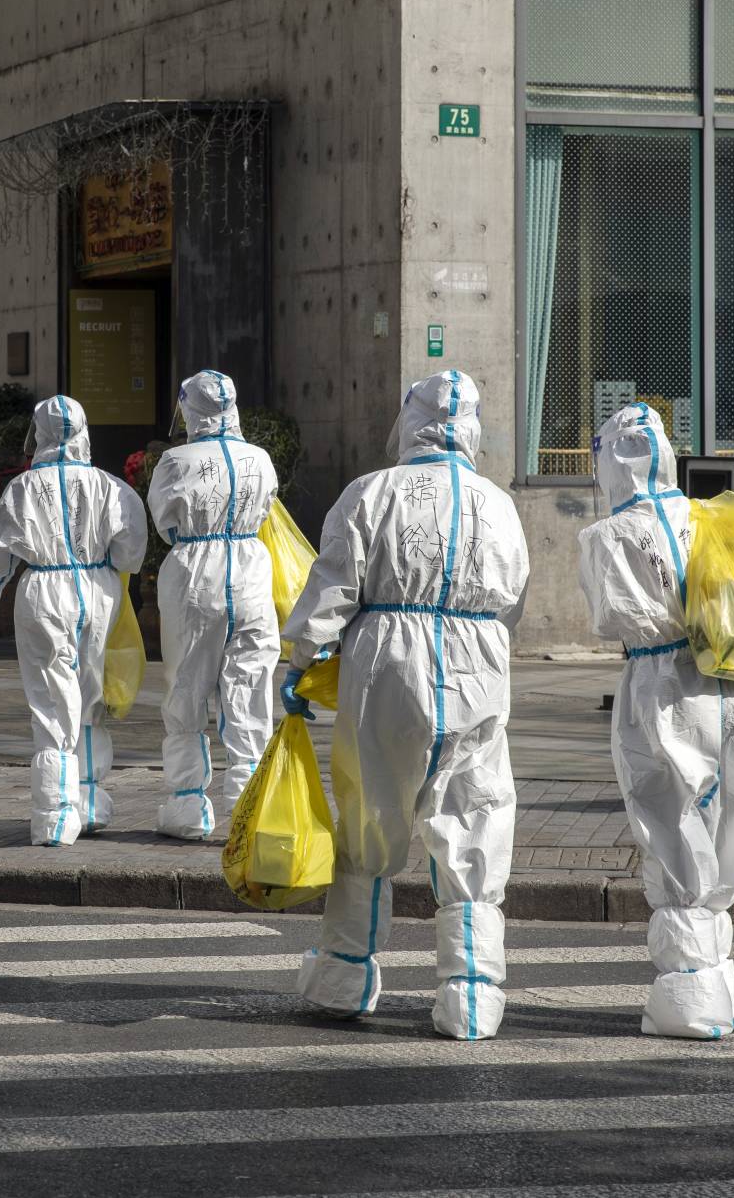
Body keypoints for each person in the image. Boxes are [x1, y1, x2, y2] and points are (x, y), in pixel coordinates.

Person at [280, 370, 529, 1041]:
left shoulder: (371, 493)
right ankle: (472, 997)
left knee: (371, 815)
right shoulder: (498, 504)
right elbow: (514, 598)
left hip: (387, 660)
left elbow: (334, 584)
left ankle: (343, 973)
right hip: (478, 660)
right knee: (475, 816)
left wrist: (297, 660)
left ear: (408, 421)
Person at [577, 402, 734, 1040]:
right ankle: (720, 976)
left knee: (671, 820)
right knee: (729, 814)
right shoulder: (707, 513)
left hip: (663, 684)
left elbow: (610, 618)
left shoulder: (608, 536)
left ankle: (690, 991)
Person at [0, 395, 147, 846]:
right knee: (89, 698)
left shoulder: (24, 488)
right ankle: (88, 801)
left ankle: (54, 816)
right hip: (98, 590)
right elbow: (130, 550)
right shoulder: (108, 486)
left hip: (43, 591)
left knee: (51, 702)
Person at [146, 370, 279, 840]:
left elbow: (165, 521)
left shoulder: (176, 461)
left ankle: (187, 807)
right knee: (250, 685)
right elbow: (266, 511)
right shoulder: (259, 459)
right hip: (250, 570)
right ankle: (250, 808)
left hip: (193, 574)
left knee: (186, 686)